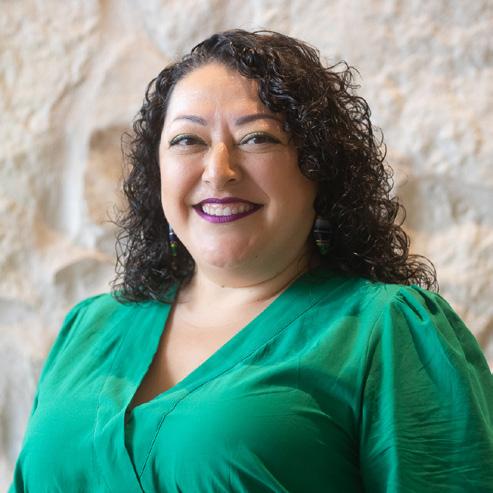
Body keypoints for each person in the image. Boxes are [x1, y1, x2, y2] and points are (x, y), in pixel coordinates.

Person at [9, 29, 493, 492]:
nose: (218, 171)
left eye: (257, 138)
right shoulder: (89, 328)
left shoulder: (387, 329)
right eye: (188, 140)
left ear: (319, 169)